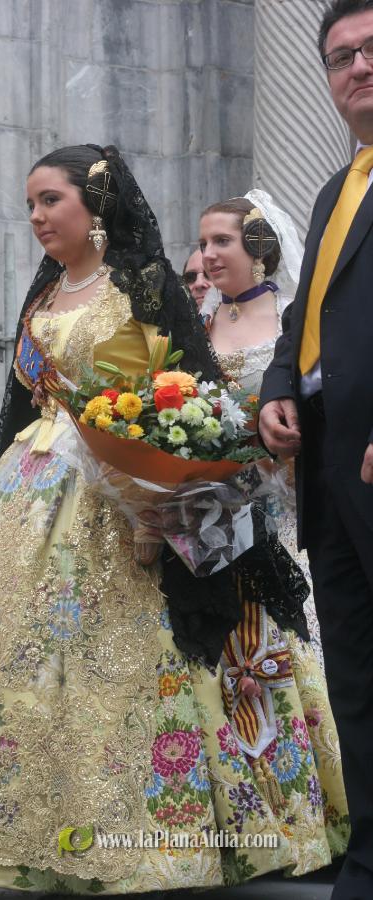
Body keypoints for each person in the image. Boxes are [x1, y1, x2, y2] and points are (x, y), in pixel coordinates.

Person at [0, 144, 345, 895]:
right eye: (30, 204)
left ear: (95, 206)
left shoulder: (143, 283)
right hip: (29, 488)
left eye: (51, 200)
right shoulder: (45, 292)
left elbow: (185, 388)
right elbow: (22, 403)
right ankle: (23, 828)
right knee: (22, 656)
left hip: (120, 495)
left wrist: (160, 496)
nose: (37, 216)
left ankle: (153, 834)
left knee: (127, 659)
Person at [259, 2, 373, 897]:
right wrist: (276, 389)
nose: (358, 67)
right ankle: (367, 858)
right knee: (357, 669)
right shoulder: (338, 189)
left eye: (372, 50)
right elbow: (307, 313)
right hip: (329, 459)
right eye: (340, 57)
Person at [199, 191, 325, 668]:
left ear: (257, 247)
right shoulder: (198, 323)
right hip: (215, 506)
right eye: (203, 243)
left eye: (222, 241)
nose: (208, 255)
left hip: (284, 499)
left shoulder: (291, 317)